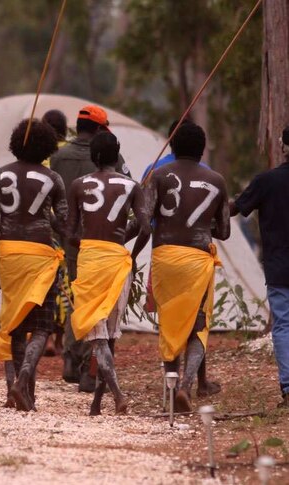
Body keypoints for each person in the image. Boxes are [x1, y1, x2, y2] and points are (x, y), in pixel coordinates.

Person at [133, 122, 230, 413]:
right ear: (202, 150)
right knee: (198, 327)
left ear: (172, 147)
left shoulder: (157, 175)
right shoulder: (216, 180)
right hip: (198, 259)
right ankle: (187, 387)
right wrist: (203, 223)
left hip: (165, 256)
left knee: (169, 322)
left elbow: (145, 222)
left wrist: (131, 256)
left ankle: (171, 385)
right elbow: (224, 231)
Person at [0, 119, 67, 412]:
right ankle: (24, 381)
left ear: (16, 143)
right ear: (47, 147)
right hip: (41, 253)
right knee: (42, 326)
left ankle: (14, 390)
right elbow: (63, 222)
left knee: (13, 323)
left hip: (10, 253)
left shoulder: (0, 175)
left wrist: (2, 236)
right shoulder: (53, 178)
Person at [66, 132, 150, 415]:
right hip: (117, 262)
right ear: (117, 155)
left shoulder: (78, 185)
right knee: (110, 335)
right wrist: (131, 254)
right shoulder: (132, 186)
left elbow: (70, 234)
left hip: (90, 261)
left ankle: (116, 395)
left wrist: (88, 242)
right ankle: (97, 402)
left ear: (93, 156)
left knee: (97, 334)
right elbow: (145, 228)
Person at [50, 105, 130, 392]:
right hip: (106, 242)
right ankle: (89, 368)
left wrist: (62, 231)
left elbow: (52, 199)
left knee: (78, 297)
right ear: (98, 130)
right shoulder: (112, 158)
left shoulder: (58, 157)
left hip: (72, 241)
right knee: (101, 307)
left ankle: (72, 358)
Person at [230, 126, 289, 408]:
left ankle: (288, 388)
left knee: (283, 326)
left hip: (279, 267)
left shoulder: (266, 181)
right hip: (278, 266)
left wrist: (204, 207)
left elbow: (235, 208)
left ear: (283, 147)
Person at [40, 109, 70, 357]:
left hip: (42, 227)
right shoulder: (70, 153)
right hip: (66, 225)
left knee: (46, 281)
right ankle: (60, 339)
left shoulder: (42, 156)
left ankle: (46, 335)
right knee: (64, 281)